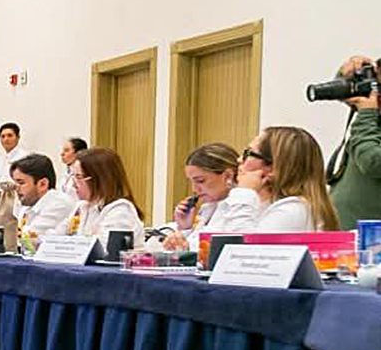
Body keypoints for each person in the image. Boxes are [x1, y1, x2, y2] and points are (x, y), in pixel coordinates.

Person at [207, 126, 338, 233]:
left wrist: (244, 193)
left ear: (275, 167)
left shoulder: (293, 210)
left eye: (248, 153)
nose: (239, 160)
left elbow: (242, 250)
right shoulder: (262, 203)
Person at [327, 54, 381, 228]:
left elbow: (372, 161)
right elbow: (346, 94)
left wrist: (366, 115)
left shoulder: (368, 121)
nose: (374, 93)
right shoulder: (372, 122)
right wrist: (346, 74)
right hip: (345, 234)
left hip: (372, 240)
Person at [161, 143, 239, 251]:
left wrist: (184, 248)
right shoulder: (208, 208)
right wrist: (185, 228)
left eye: (200, 181)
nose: (194, 189)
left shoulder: (239, 210)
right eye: (192, 182)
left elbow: (217, 251)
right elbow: (191, 248)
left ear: (228, 175)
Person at [66, 148, 144, 240]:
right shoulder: (82, 206)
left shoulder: (120, 211)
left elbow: (105, 247)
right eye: (73, 176)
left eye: (78, 177)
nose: (73, 184)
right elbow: (59, 236)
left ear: (99, 179)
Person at [10, 153, 77, 237]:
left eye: (21, 183)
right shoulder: (26, 207)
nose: (16, 188)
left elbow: (31, 238)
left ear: (43, 184)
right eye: (15, 183)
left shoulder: (59, 204)